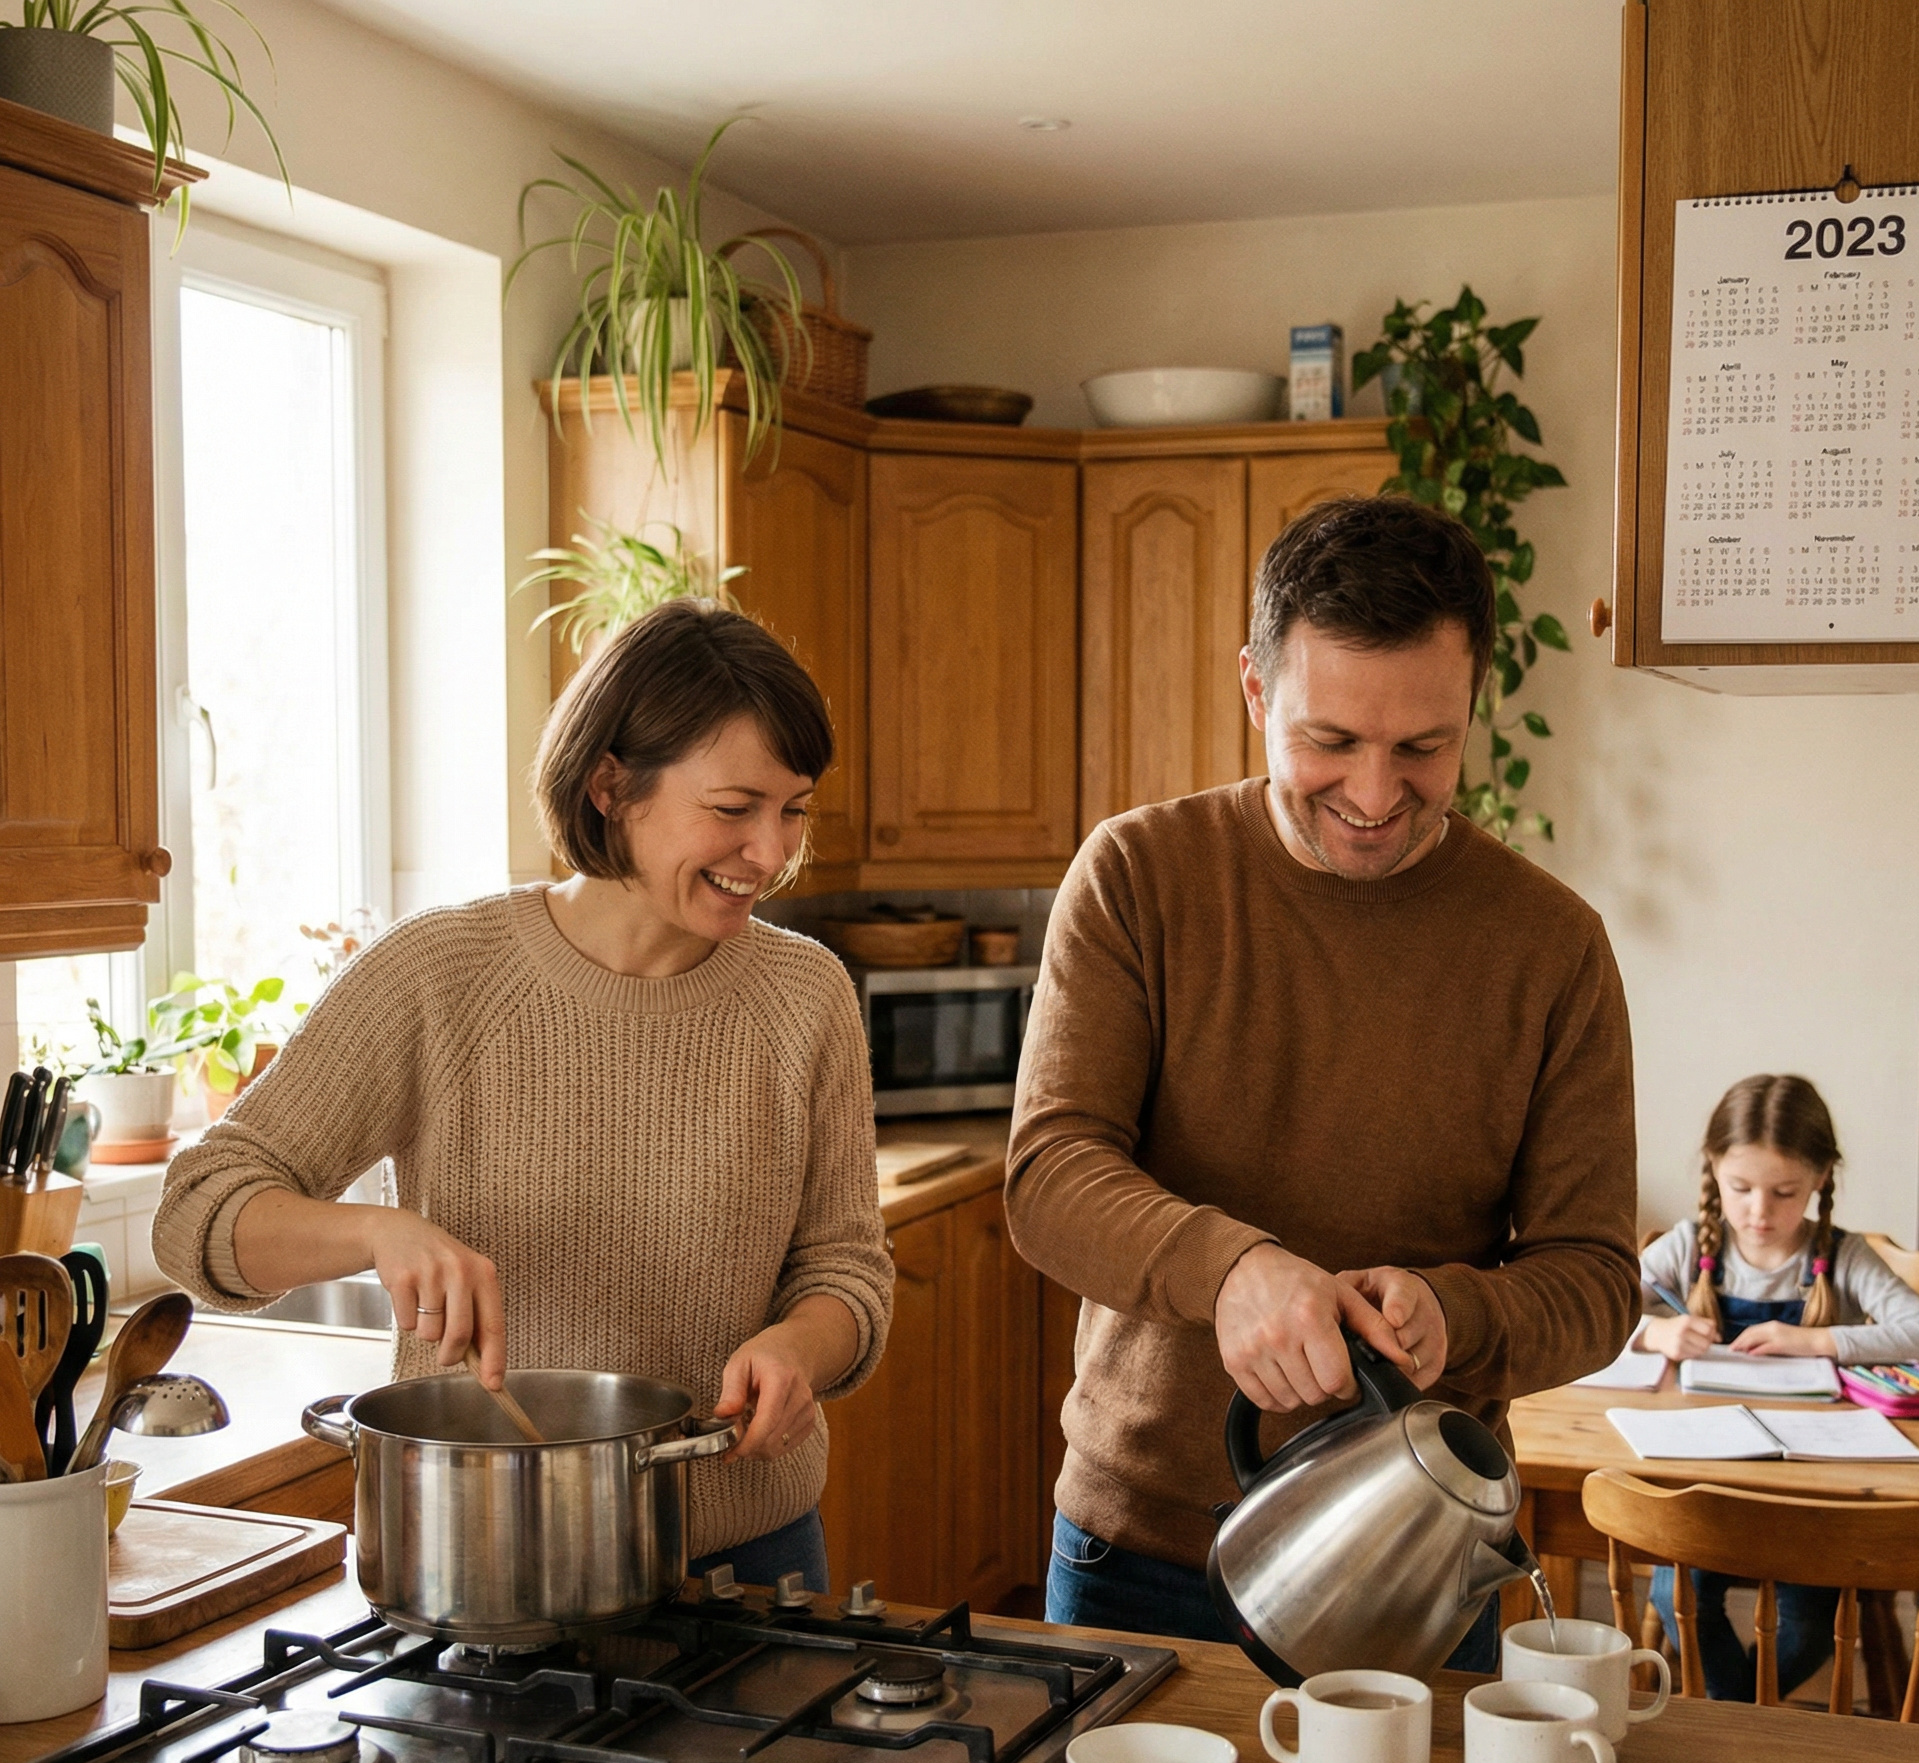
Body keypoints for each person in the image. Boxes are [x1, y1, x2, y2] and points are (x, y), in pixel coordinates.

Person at [1006, 493, 1639, 1666]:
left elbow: (1597, 1278)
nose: (1373, 791)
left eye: (1421, 746)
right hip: (1138, 1553)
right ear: (1254, 688)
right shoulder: (1137, 877)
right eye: (1329, 741)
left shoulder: (1550, 946)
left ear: (1471, 707)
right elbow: (1048, 1177)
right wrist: (1231, 1269)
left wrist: (1457, 1314)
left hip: (1414, 1562)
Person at [154, 600, 893, 1593]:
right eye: (732, 807)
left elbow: (844, 1267)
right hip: (480, 1559)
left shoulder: (806, 995)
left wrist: (798, 1346)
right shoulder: (439, 973)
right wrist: (377, 1233)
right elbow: (197, 1212)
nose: (768, 850)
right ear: (609, 785)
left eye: (793, 808)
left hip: (747, 1561)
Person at [1636, 1072, 1919, 1700]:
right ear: (1714, 1172)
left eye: (1784, 1192)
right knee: (1674, 1596)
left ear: (1819, 1178)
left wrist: (1819, 1340)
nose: (1760, 1212)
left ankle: (1738, 1717)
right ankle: (1750, 1721)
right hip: (1708, 1479)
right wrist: (1655, 1335)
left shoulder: (1840, 1256)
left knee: (1814, 1626)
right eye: (1741, 1189)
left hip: (1813, 1484)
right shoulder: (1688, 1245)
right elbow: (1593, 1308)